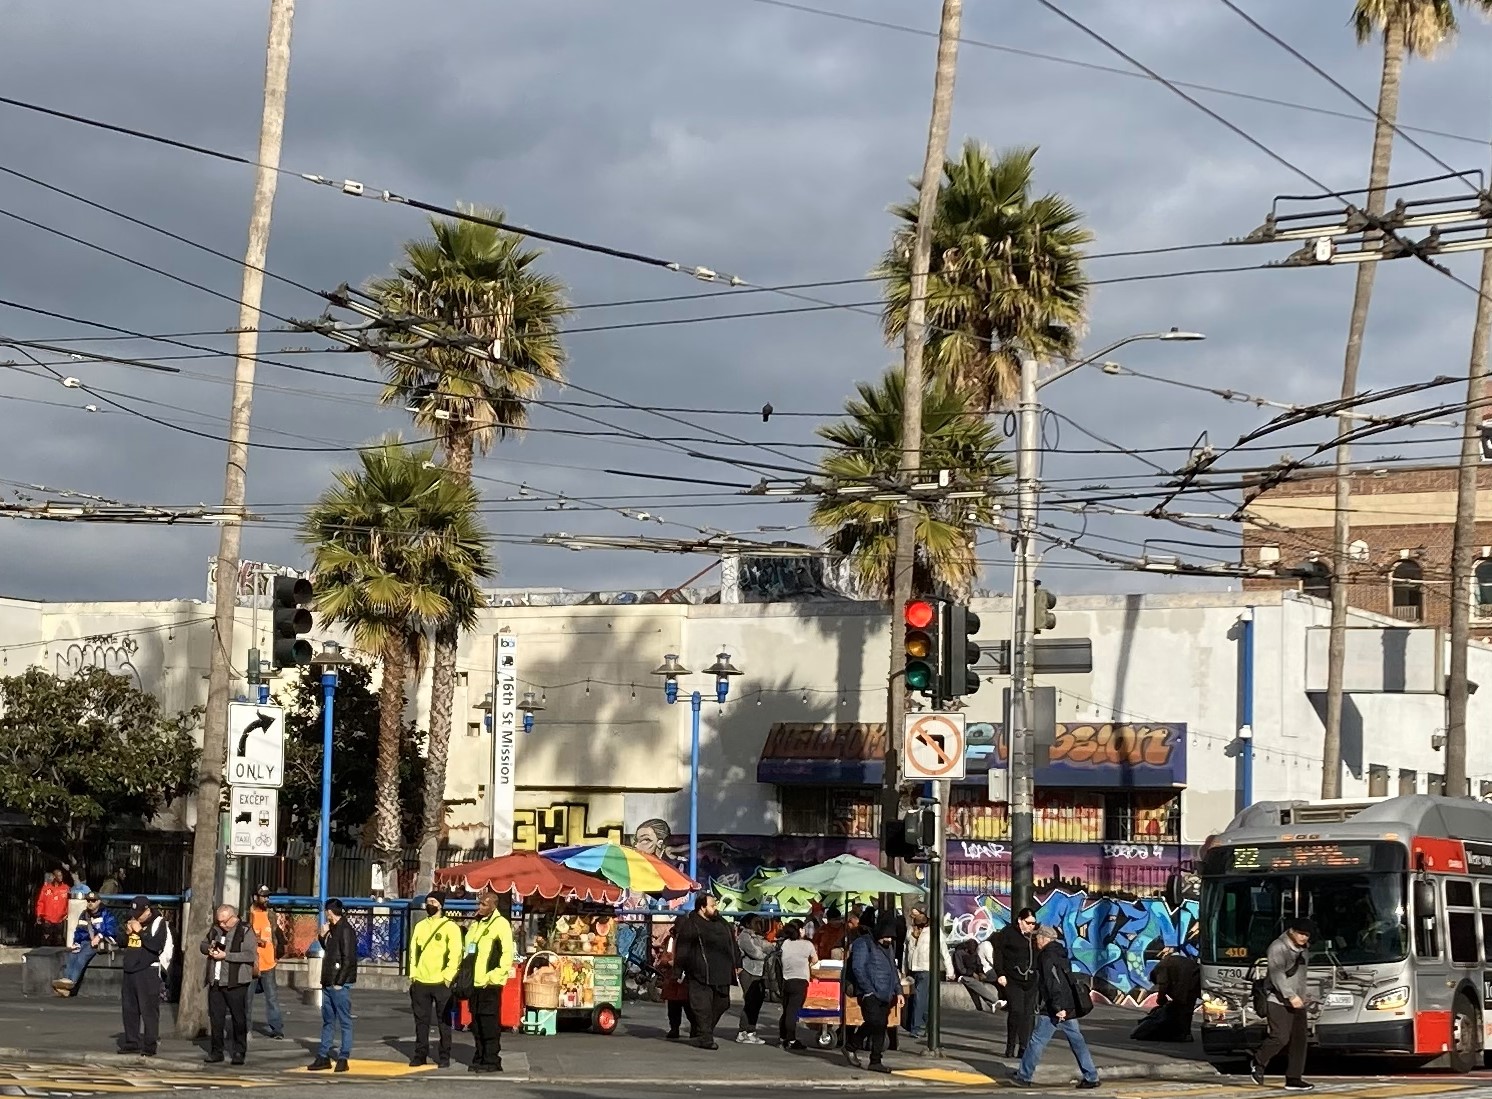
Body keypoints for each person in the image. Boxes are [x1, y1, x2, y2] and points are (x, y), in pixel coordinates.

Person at [1012, 925, 1100, 1090]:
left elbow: (1054, 983)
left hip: (1055, 1007)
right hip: (1068, 1005)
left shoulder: (1046, 956)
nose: (1036, 940)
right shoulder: (1060, 953)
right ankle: (1091, 1076)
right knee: (1077, 1040)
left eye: (1037, 937)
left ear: (1044, 938)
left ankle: (1024, 1076)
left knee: (1037, 1041)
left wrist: (1058, 1006)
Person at [1250, 919, 1314, 1092]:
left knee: (1299, 1041)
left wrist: (1303, 995)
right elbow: (1277, 975)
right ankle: (1258, 1060)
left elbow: (1300, 976)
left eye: (1307, 935)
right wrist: (1290, 996)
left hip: (1297, 1001)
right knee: (1280, 1037)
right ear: (1291, 931)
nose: (1303, 937)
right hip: (1277, 999)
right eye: (1301, 933)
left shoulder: (1304, 949)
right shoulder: (1278, 947)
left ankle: (1294, 1079)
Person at [675, 892, 740, 1051]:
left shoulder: (722, 923)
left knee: (723, 1003)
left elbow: (732, 943)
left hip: (722, 972)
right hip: (699, 973)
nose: (715, 908)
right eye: (712, 905)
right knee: (702, 1007)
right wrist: (677, 972)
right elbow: (682, 949)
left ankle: (701, 1030)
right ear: (702, 908)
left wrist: (738, 962)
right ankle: (706, 1038)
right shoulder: (691, 924)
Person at [408, 892, 464, 1068]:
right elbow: (413, 952)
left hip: (441, 983)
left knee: (444, 1022)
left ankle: (444, 1055)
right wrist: (413, 975)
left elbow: (455, 954)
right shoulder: (420, 926)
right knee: (421, 1021)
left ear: (441, 905)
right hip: (421, 982)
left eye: (433, 902)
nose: (429, 905)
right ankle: (420, 1054)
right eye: (427, 902)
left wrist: (448, 977)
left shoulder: (450, 927)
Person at [200, 905, 259, 1066]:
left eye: (224, 922)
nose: (221, 925)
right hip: (216, 981)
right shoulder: (215, 930)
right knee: (216, 1019)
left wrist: (226, 956)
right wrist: (209, 949)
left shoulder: (246, 931)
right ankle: (216, 1051)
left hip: (236, 981)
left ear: (234, 917)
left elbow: (250, 955)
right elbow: (203, 944)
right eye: (218, 921)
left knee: (238, 1018)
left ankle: (239, 1051)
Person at [465, 889, 515, 1074]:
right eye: (479, 904)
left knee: (489, 1024)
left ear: (493, 906)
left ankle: (492, 1060)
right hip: (474, 983)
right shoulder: (476, 924)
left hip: (489, 983)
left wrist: (493, 977)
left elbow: (506, 954)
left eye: (484, 904)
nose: (480, 907)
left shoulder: (500, 924)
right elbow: (469, 947)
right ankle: (479, 1056)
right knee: (476, 1024)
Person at [847, 915, 902, 1074]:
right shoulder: (863, 943)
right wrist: (868, 990)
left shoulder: (888, 948)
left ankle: (875, 1060)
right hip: (869, 992)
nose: (889, 940)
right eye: (887, 936)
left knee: (880, 1025)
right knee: (875, 1022)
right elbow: (858, 968)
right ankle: (853, 1046)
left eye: (891, 937)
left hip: (886, 993)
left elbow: (893, 970)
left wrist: (898, 991)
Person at [308, 899, 357, 1073]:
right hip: (328, 980)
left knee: (344, 1020)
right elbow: (330, 951)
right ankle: (323, 1055)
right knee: (328, 1020)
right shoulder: (332, 930)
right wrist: (323, 936)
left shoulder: (345, 930)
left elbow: (348, 959)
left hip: (337, 982)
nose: (326, 915)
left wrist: (339, 982)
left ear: (331, 912)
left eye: (327, 911)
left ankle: (343, 1056)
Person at [119, 896, 170, 1057]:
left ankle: (149, 1044)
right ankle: (131, 1041)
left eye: (139, 913)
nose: (136, 916)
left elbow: (156, 946)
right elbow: (120, 941)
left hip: (147, 970)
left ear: (148, 910)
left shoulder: (158, 923)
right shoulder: (131, 919)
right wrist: (127, 933)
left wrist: (140, 931)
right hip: (130, 970)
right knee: (129, 1009)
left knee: (149, 1010)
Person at [993, 908, 1040, 1057]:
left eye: (1033, 923)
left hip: (1031, 979)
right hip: (1013, 978)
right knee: (1016, 1011)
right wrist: (1000, 973)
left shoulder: (1033, 936)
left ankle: (1024, 1046)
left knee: (1028, 1014)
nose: (1031, 926)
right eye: (1028, 923)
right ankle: (1010, 1044)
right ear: (1020, 921)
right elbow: (998, 953)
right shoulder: (1008, 933)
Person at [53, 892, 117, 996]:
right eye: (88, 901)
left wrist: (100, 936)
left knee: (82, 957)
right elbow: (79, 931)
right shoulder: (84, 914)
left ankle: (71, 982)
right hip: (85, 942)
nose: (90, 903)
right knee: (72, 955)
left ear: (99, 902)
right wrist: (76, 943)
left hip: (99, 943)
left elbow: (111, 929)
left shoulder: (106, 914)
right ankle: (65, 981)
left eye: (93, 901)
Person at [245, 886, 285, 1040]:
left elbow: (278, 935)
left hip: (269, 963)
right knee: (247, 998)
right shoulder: (248, 915)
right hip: (251, 963)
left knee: (272, 998)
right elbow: (243, 936)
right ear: (255, 897)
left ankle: (277, 1029)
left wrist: (277, 953)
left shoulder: (271, 915)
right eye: (263, 897)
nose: (266, 900)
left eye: (268, 897)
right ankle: (246, 1029)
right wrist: (255, 940)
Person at [777, 921, 816, 1051]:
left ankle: (783, 1038)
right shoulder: (807, 945)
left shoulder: (785, 944)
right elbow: (815, 960)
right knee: (792, 1012)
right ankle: (791, 1040)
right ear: (800, 930)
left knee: (787, 1010)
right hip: (800, 981)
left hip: (786, 980)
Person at [735, 915, 773, 1045]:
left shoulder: (757, 936)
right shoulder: (745, 936)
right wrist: (767, 955)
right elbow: (756, 953)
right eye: (756, 922)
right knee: (750, 1002)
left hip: (759, 972)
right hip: (749, 971)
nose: (759, 924)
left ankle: (751, 1030)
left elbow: (769, 947)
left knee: (757, 1003)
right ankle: (743, 1031)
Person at [904, 907, 932, 1039]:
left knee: (919, 998)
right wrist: (904, 968)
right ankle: (927, 1025)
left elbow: (942, 949)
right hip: (912, 968)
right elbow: (906, 950)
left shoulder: (931, 932)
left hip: (925, 968)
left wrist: (949, 970)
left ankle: (916, 1027)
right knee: (921, 999)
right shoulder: (910, 931)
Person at [35, 870, 69, 946]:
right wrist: (39, 914)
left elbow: (69, 902)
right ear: (54, 877)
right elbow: (41, 902)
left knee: (58, 940)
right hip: (48, 920)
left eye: (61, 875)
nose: (61, 877)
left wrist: (67, 913)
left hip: (60, 920)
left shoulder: (66, 889)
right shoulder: (46, 888)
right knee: (46, 940)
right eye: (59, 875)